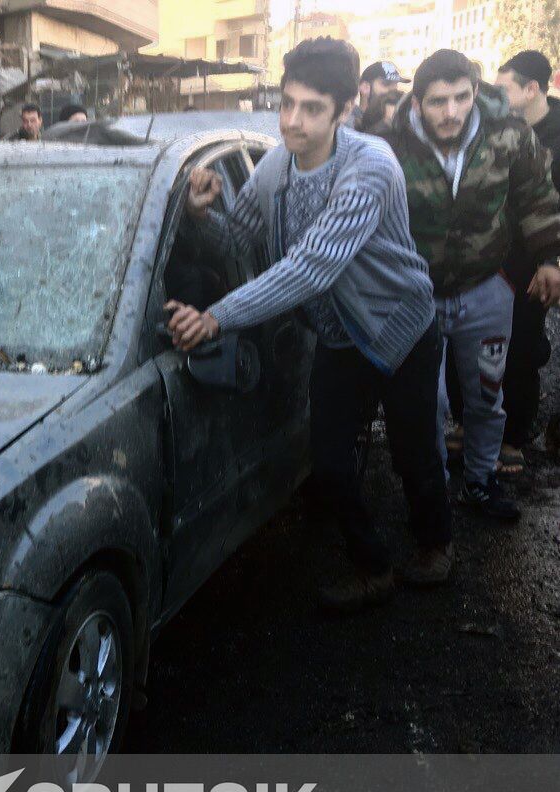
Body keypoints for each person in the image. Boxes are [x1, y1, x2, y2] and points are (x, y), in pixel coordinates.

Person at [166, 38, 451, 613]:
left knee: (414, 449)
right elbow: (240, 241)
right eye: (287, 103)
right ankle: (372, 565)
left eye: (312, 108)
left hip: (401, 328)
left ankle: (435, 543)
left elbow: (310, 269)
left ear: (346, 109)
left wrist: (217, 317)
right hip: (341, 338)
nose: (292, 121)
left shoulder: (370, 165)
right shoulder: (275, 165)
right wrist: (200, 217)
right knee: (327, 457)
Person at [383, 49, 560, 520]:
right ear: (418, 102)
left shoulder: (508, 135)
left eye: (462, 97)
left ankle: (480, 483)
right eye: (439, 101)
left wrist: (549, 258)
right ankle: (432, 492)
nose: (453, 112)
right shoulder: (388, 145)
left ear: (476, 93)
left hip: (485, 290)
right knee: (428, 403)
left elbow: (536, 196)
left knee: (486, 396)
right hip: (414, 296)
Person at [494, 51, 560, 471]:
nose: (496, 99)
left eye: (504, 90)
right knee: (484, 340)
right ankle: (473, 425)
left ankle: (514, 437)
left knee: (523, 344)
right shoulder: (504, 128)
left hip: (541, 259)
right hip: (498, 256)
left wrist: (550, 259)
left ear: (531, 89)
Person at [352, 61, 408, 127]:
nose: (393, 90)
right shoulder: (347, 120)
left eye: (395, 85)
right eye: (386, 84)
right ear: (365, 87)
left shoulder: (401, 119)